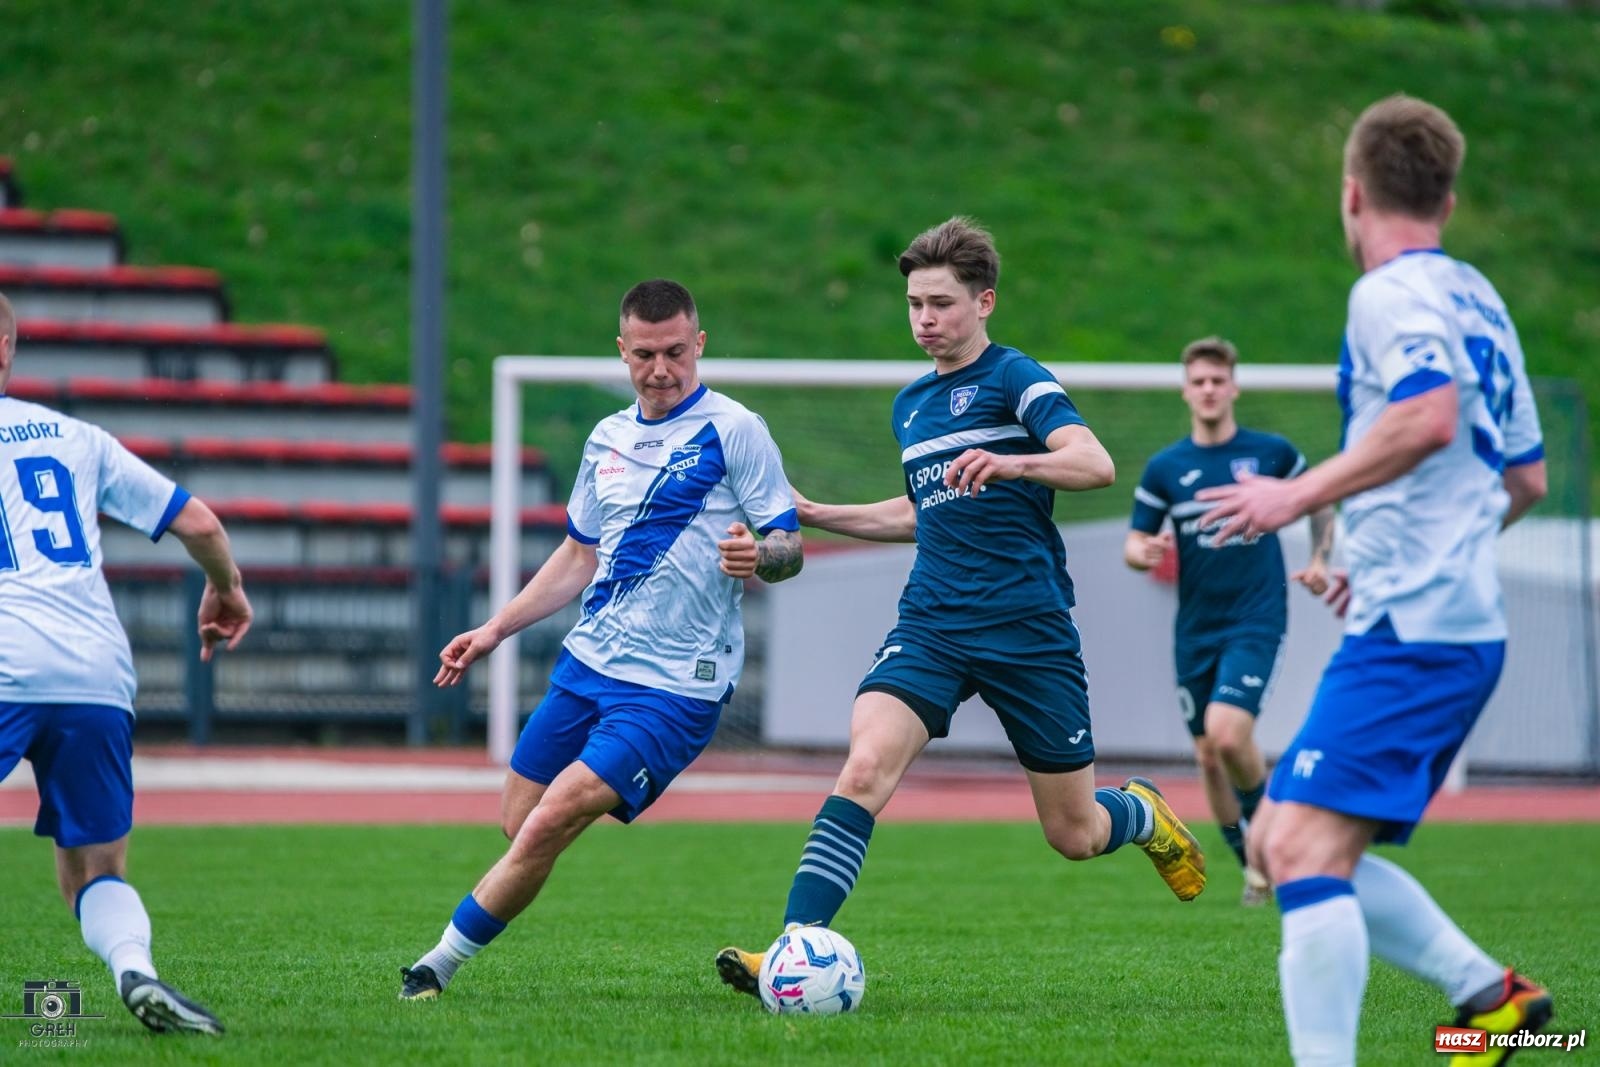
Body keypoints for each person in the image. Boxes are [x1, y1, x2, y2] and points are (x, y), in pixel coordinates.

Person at [715, 217, 1207, 1000]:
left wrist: (1015, 462)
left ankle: (1140, 812)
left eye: (940, 303)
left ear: (985, 302)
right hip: (934, 621)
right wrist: (815, 509)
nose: (924, 319)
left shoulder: (1018, 379)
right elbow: (921, 514)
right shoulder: (911, 405)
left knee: (1073, 834)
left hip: (1028, 627)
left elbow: (1096, 462)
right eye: (913, 304)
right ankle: (792, 946)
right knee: (865, 764)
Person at [1197, 96, 1551, 1066]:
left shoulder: (1385, 294)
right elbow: (1525, 477)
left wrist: (1294, 497)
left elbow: (1428, 416)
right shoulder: (1480, 297)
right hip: (1439, 619)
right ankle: (1495, 998)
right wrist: (1403, 555)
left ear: (1350, 193)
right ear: (1447, 195)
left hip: (1418, 631)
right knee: (1281, 838)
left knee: (1299, 851)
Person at [398, 279, 803, 1000]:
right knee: (520, 821)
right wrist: (493, 629)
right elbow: (578, 556)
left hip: (678, 685)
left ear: (699, 344)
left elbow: (789, 543)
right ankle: (596, 794)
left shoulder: (735, 429)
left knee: (551, 815)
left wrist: (760, 557)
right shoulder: (606, 439)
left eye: (676, 351)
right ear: (622, 351)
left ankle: (434, 965)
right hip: (588, 664)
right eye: (644, 354)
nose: (661, 368)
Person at [0, 292, 252, 1035]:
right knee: (95, 867)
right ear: (7, 350)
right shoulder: (80, 437)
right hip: (93, 672)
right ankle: (135, 970)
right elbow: (200, 520)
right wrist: (226, 588)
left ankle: (60, 1011)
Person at [1124, 336, 1335, 906]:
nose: (1209, 389)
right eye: (1199, 381)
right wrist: (1141, 552)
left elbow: (1320, 499)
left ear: (1234, 387)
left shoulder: (1270, 453)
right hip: (1196, 626)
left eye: (1219, 380)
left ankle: (1274, 838)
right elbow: (1135, 539)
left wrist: (1320, 560)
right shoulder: (1168, 467)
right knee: (1207, 754)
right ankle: (1254, 866)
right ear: (1186, 390)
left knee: (1227, 731)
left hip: (1256, 616)